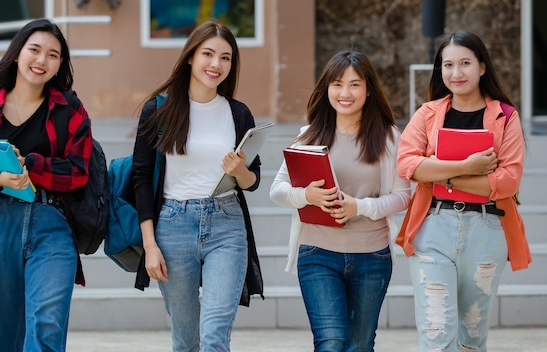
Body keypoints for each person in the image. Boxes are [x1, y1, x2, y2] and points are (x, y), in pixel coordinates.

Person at [0, 19, 93, 351]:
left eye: (53, 55)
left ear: (60, 65)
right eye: (34, 50)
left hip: (52, 224)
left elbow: (80, 172)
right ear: (17, 52)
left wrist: (32, 166)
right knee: (4, 336)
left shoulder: (71, 110)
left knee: (48, 325)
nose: (41, 61)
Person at [395, 29, 532, 351]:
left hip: (487, 231)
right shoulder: (427, 114)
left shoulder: (505, 117)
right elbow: (407, 165)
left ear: (482, 66)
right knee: (436, 332)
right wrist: (466, 167)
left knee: (472, 335)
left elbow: (508, 181)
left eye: (465, 63)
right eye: (448, 65)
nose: (456, 73)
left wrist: (438, 173)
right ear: (440, 70)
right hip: (433, 227)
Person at [132, 20, 264, 351]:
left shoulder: (238, 113)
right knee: (185, 338)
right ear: (191, 56)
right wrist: (150, 245)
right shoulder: (158, 110)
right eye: (208, 54)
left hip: (227, 223)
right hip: (173, 225)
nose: (216, 64)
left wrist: (240, 170)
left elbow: (253, 181)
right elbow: (142, 178)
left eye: (226, 57)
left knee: (215, 334)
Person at [270, 50, 411, 351]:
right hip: (317, 253)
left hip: (372, 257)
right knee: (331, 342)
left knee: (360, 345)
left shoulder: (388, 138)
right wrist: (306, 195)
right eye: (336, 84)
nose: (345, 93)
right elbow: (277, 189)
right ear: (326, 89)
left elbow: (403, 196)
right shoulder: (309, 137)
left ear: (368, 89)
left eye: (354, 84)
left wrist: (359, 207)